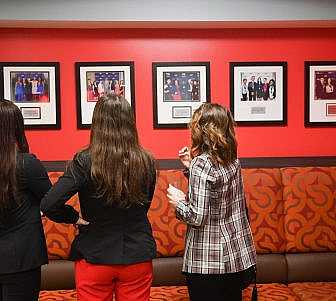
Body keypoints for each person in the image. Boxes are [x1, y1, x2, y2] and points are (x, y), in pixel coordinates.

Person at [41, 94, 157, 301]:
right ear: (130, 122)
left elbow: (49, 204)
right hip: (137, 254)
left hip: (94, 255)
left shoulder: (84, 160)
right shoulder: (146, 160)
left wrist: (74, 218)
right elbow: (144, 204)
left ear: (97, 123)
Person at [167, 103, 257, 301]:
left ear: (203, 129)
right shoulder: (232, 159)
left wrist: (179, 202)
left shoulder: (202, 163)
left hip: (206, 261)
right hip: (234, 258)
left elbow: (197, 216)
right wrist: (191, 168)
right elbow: (219, 194)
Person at [0, 99, 51, 301]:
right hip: (21, 260)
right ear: (16, 127)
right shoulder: (27, 164)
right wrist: (75, 219)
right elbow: (52, 202)